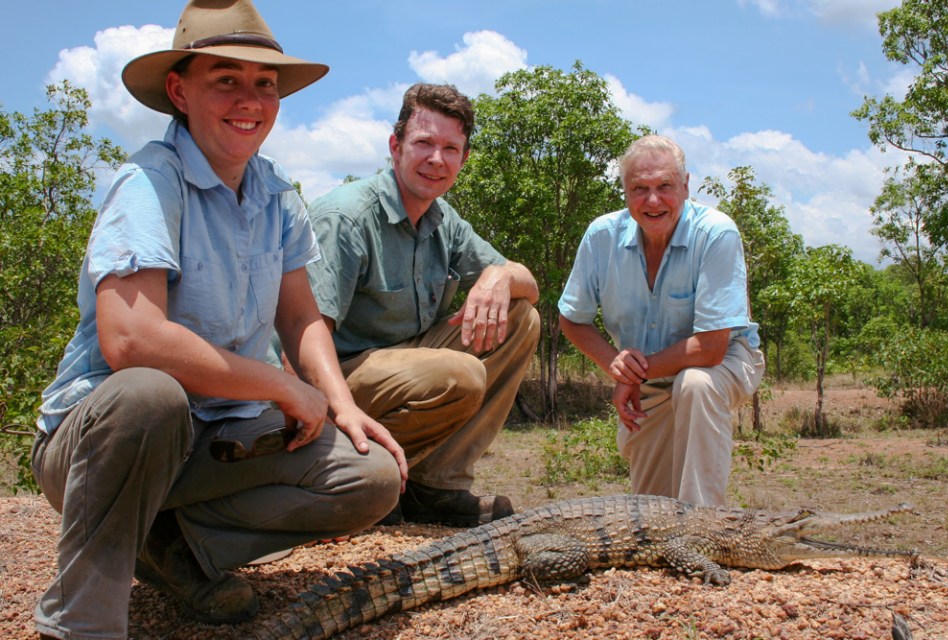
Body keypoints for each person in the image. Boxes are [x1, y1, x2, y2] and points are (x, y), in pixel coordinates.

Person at [30, 1, 407, 638]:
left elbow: (300, 314)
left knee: (370, 477)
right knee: (151, 395)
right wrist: (284, 386)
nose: (250, 99)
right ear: (179, 90)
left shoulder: (274, 191)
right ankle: (82, 620)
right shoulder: (151, 181)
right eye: (225, 79)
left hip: (216, 435)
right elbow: (131, 340)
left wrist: (339, 402)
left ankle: (175, 549)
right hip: (104, 441)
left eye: (266, 83)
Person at [305, 83, 540, 527]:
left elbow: (530, 284)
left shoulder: (443, 220)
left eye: (451, 148)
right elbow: (303, 340)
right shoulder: (346, 217)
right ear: (395, 147)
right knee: (460, 372)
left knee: (521, 316)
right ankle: (358, 471)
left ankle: (435, 487)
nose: (437, 159)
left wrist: (497, 275)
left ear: (463, 160)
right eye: (424, 143)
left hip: (402, 368)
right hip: (328, 381)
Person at [558, 134, 765, 507]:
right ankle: (664, 541)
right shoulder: (601, 236)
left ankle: (704, 528)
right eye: (640, 188)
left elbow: (711, 347)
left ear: (685, 186)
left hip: (726, 359)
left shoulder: (716, 233)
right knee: (652, 508)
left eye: (664, 186)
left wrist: (633, 374)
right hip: (648, 377)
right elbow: (572, 319)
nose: (653, 201)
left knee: (695, 383)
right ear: (624, 191)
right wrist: (615, 365)